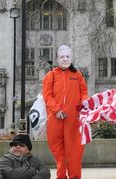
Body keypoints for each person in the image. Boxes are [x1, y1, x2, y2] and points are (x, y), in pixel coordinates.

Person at [42, 45, 88, 179]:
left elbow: (84, 93)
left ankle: (74, 176)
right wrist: (56, 110)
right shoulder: (50, 75)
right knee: (57, 149)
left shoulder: (77, 75)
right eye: (62, 57)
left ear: (71, 58)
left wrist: (85, 103)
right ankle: (61, 175)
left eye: (68, 56)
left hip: (74, 119)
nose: (65, 59)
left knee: (75, 150)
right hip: (55, 118)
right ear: (57, 59)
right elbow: (47, 96)